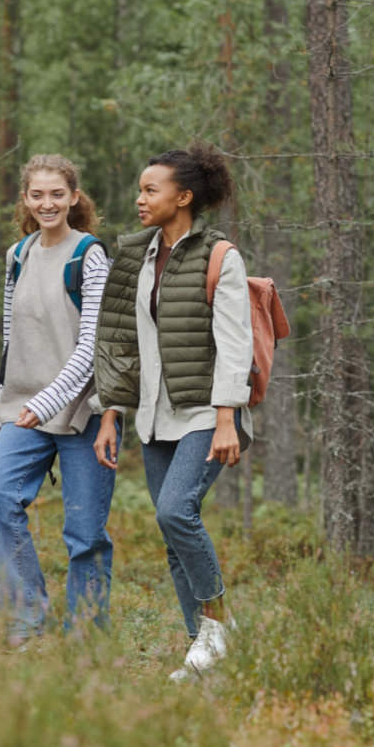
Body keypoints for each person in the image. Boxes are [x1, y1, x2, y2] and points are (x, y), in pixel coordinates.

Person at [93, 144, 252, 680]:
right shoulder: (136, 254)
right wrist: (112, 411)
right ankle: (201, 652)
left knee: (174, 511)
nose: (139, 199)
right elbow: (119, 340)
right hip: (155, 413)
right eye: (140, 189)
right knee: (171, 535)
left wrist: (228, 416)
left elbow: (236, 344)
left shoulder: (220, 256)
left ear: (183, 197)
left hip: (207, 410)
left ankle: (220, 621)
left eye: (150, 190)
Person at [0, 155, 115, 648]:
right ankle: (26, 622)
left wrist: (48, 401)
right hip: (25, 409)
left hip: (83, 412)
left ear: (74, 197)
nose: (47, 203)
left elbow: (91, 345)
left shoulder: (90, 256)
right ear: (26, 200)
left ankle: (85, 640)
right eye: (37, 195)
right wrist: (8, 405)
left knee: (84, 534)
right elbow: (13, 338)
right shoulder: (18, 255)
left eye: (57, 194)